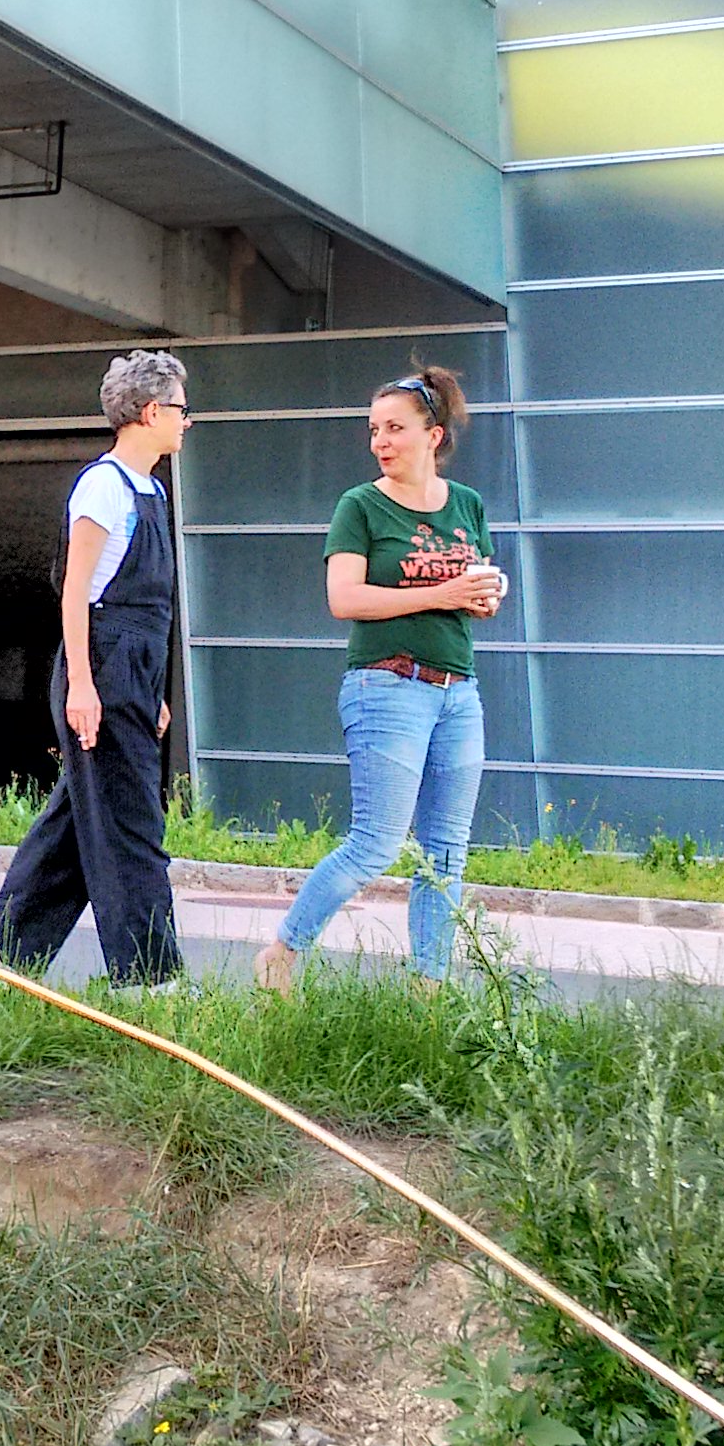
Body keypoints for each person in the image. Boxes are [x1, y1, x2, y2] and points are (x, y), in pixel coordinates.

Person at [256, 368, 504, 994]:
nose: (380, 442)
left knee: (446, 854)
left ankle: (429, 990)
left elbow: (474, 585)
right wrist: (443, 593)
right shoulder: (360, 506)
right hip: (387, 686)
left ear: (433, 435)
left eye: (394, 428)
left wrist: (483, 595)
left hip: (458, 692)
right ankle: (282, 954)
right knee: (376, 844)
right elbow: (344, 599)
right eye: (373, 430)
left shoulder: (468, 504)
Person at [0, 349, 191, 989]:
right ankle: (150, 979)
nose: (186, 421)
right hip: (99, 665)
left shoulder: (152, 489)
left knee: (72, 830)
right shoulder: (104, 486)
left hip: (132, 669)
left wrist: (152, 691)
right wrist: (82, 685)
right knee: (132, 825)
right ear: (150, 412)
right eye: (181, 409)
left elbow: (149, 610)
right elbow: (76, 594)